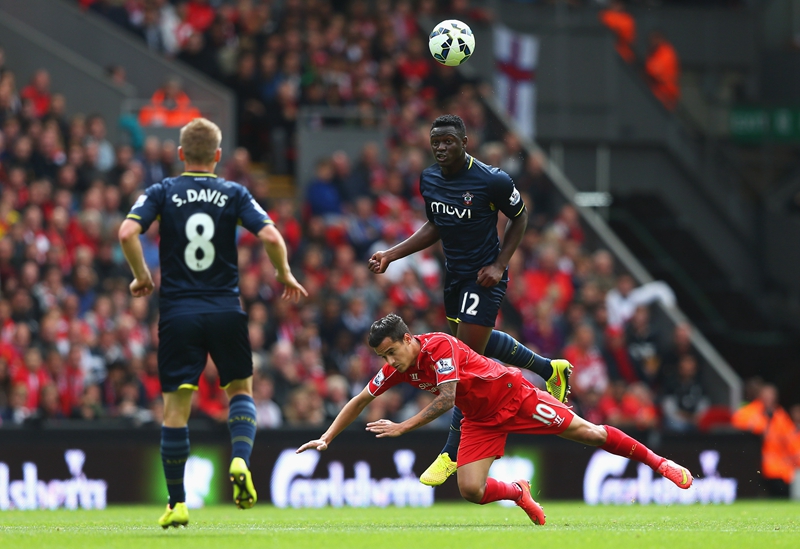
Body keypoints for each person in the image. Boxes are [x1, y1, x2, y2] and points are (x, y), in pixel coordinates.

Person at [297, 314, 693, 525]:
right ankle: (519, 492)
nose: (388, 363)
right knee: (470, 489)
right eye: (382, 358)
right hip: (479, 419)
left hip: (512, 395)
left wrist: (402, 427)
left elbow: (446, 398)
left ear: (407, 339)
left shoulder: (440, 345)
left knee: (587, 433)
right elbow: (361, 398)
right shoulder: (397, 367)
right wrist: (328, 436)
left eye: (389, 353)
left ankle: (661, 463)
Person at [119, 118, 307, 527]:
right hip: (225, 308)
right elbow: (273, 238)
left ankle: (178, 503)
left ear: (182, 154)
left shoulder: (162, 191)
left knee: (175, 410)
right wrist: (284, 274)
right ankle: (240, 460)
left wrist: (141, 276)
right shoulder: (233, 192)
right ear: (218, 156)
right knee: (240, 390)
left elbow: (126, 233)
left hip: (177, 313)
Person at [369, 114, 572, 487]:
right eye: (436, 142)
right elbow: (435, 225)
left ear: (465, 142)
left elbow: (520, 218)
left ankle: (451, 452)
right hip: (455, 278)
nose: (441, 147)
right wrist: (392, 255)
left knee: (462, 361)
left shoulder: (491, 179)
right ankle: (549, 368)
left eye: (448, 141)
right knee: (471, 350)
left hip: (485, 277)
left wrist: (499, 263)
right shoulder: (429, 178)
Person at [732, 384, 800, 497]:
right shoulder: (751, 411)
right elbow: (737, 420)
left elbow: (791, 439)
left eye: (771, 396)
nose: (769, 399)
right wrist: (758, 427)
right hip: (753, 461)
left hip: (777, 464)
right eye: (766, 396)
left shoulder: (780, 415)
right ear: (760, 396)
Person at [644, 30, 681, 111]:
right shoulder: (653, 52)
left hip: (667, 95)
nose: (652, 41)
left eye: (655, 38)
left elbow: (656, 72)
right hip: (657, 95)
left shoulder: (666, 52)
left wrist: (649, 68)